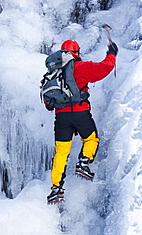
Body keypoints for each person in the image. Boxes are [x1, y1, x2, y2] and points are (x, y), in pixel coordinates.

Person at [47, 39, 118, 204]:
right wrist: (112, 53)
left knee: (61, 152)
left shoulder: (53, 72)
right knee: (91, 139)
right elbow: (104, 68)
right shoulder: (80, 67)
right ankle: (83, 163)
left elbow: (47, 101)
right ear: (76, 52)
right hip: (80, 113)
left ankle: (56, 189)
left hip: (61, 117)